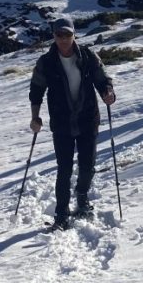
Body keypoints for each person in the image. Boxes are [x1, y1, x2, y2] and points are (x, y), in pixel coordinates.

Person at [29, 17, 116, 231]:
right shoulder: (46, 62)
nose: (64, 39)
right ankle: (61, 213)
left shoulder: (88, 56)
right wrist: (35, 117)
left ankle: (82, 198)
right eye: (60, 35)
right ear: (54, 36)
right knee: (64, 169)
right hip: (62, 122)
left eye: (68, 35)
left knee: (88, 165)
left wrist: (108, 93)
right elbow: (36, 91)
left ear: (74, 34)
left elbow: (102, 79)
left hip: (88, 119)